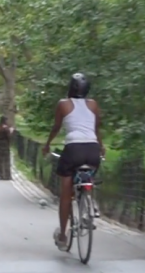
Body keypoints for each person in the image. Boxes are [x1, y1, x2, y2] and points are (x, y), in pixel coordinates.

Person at [41, 73, 104, 250]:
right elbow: (96, 128)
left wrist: (47, 144)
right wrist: (102, 146)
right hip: (92, 149)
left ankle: (62, 235)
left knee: (66, 194)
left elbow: (56, 127)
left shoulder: (63, 104)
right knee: (89, 175)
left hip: (73, 149)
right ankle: (90, 201)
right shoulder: (93, 104)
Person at [0, 116, 14, 180]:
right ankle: (6, 175)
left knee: (0, 160)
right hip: (5, 145)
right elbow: (8, 136)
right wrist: (11, 131)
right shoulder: (6, 128)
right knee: (6, 160)